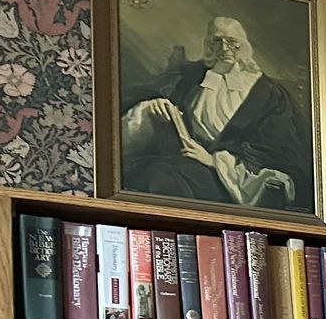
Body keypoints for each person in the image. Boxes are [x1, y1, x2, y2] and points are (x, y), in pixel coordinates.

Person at [120, 16, 310, 210]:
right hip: (182, 160)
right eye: (217, 41)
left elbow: (276, 151)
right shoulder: (190, 76)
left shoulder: (268, 92)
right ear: (208, 44)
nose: (224, 49)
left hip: (228, 179)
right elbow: (146, 92)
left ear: (243, 46)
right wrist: (154, 104)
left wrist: (214, 161)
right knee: (142, 173)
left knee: (159, 176)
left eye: (232, 42)